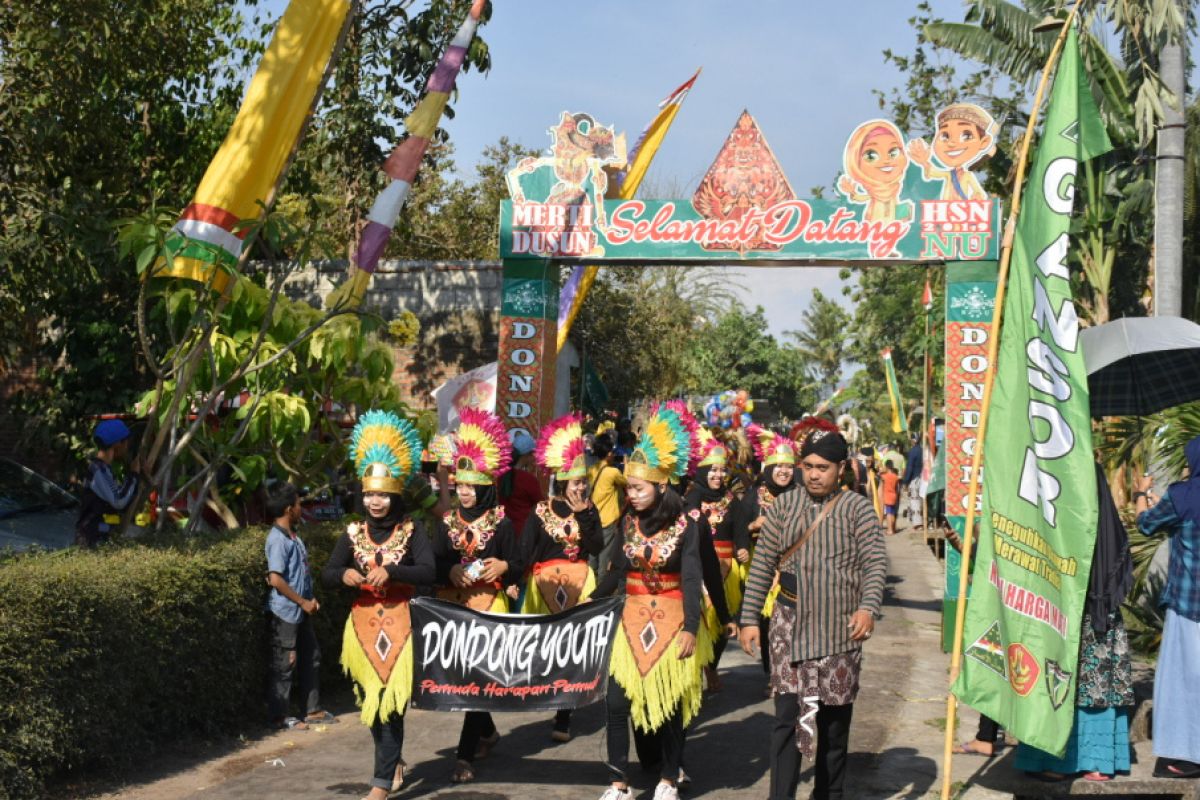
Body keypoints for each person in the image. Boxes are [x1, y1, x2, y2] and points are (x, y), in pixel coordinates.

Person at [739, 417, 888, 800]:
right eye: (809, 467)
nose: (814, 475)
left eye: (823, 468)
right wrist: (749, 619)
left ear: (840, 470)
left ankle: (829, 795)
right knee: (786, 720)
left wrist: (868, 608)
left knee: (835, 727)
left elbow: (875, 564)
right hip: (788, 626)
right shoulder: (784, 506)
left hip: (840, 631)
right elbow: (761, 565)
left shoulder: (857, 509)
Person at [592, 401, 715, 800]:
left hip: (674, 619)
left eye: (639, 488)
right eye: (629, 487)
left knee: (671, 705)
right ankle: (618, 783)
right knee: (615, 702)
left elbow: (694, 576)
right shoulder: (627, 521)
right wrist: (588, 602)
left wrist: (692, 629)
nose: (632, 494)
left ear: (661, 486)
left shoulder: (687, 524)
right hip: (629, 622)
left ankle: (667, 778)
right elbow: (612, 570)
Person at [322, 410, 435, 800]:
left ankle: (380, 785)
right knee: (371, 704)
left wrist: (395, 572)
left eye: (382, 494)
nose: (374, 501)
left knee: (391, 704)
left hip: (402, 626)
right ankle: (392, 762)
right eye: (369, 493)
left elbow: (429, 570)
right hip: (361, 628)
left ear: (395, 495)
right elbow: (328, 572)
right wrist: (344, 576)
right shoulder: (352, 532)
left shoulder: (412, 529)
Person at [1016, 462, 1135, 782]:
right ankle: (1096, 762)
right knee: (1086, 684)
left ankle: (1059, 761)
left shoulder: (1058, 497)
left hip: (1075, 613)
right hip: (1093, 611)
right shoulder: (1096, 501)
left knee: (1063, 680)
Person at [433, 407, 522, 784]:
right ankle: (487, 732)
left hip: (489, 608)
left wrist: (504, 568)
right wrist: (449, 569)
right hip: (452, 610)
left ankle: (464, 755)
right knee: (466, 681)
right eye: (461, 486)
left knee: (475, 680)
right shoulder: (446, 523)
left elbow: (520, 561)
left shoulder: (500, 522)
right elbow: (431, 564)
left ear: (486, 486)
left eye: (471, 487)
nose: (465, 492)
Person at [522, 413, 604, 742]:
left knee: (572, 651)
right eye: (575, 483)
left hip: (581, 584)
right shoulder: (541, 510)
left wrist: (585, 514)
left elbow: (596, 545)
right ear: (562, 481)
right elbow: (528, 549)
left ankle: (563, 715)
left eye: (584, 482)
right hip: (542, 587)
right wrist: (516, 576)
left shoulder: (590, 510)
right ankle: (545, 695)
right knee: (542, 649)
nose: (581, 487)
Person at [1136, 435, 1200, 779]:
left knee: (1184, 681)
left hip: (1189, 608)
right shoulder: (1181, 497)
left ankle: (1188, 756)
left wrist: (1141, 495)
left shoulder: (1183, 494)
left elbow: (1146, 523)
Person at [264, 482, 330, 732]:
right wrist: (302, 601)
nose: (302, 507)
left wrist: (309, 600)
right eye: (299, 504)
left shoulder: (293, 535)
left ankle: (312, 710)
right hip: (285, 613)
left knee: (311, 657)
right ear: (289, 509)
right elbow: (276, 579)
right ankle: (279, 717)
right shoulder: (277, 540)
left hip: (300, 611)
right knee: (285, 663)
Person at [734, 427, 799, 679]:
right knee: (765, 623)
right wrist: (751, 529)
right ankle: (772, 674)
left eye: (789, 466)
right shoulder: (752, 498)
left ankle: (789, 671)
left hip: (791, 571)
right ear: (769, 469)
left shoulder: (801, 496)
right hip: (761, 570)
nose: (784, 471)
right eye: (779, 466)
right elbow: (739, 530)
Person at [684, 428, 740, 692]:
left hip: (728, 570)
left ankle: (712, 665)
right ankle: (697, 674)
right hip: (700, 567)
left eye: (722, 470)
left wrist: (743, 547)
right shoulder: (692, 496)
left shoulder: (731, 499)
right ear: (703, 472)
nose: (718, 475)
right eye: (713, 470)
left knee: (722, 622)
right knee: (702, 621)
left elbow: (740, 526)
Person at [76, 419, 141, 548]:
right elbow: (119, 501)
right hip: (91, 540)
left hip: (96, 538)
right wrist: (134, 475)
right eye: (126, 442)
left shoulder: (102, 469)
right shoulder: (98, 471)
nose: (127, 447)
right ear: (117, 444)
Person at [588, 433, 627, 583]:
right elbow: (627, 483)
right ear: (609, 453)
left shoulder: (591, 469)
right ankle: (601, 594)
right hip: (608, 520)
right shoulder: (613, 472)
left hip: (593, 519)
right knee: (605, 558)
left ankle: (589, 586)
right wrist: (626, 463)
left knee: (593, 555)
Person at [500, 428, 544, 539]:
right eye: (532, 454)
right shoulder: (529, 479)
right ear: (526, 455)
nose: (534, 457)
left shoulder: (501, 476)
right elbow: (541, 506)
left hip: (505, 532)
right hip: (525, 533)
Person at [881, 463, 900, 536]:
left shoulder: (884, 476)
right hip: (894, 495)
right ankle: (893, 528)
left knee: (888, 513)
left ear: (887, 467)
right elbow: (897, 488)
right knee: (892, 513)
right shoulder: (895, 476)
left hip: (887, 495)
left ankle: (890, 530)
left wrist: (881, 471)